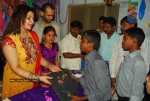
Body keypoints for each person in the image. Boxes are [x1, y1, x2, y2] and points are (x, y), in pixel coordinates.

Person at [1, 5, 61, 99]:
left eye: (33, 18)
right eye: (28, 18)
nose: (32, 22)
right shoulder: (9, 40)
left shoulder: (33, 35)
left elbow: (38, 57)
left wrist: (50, 65)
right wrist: (38, 78)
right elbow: (15, 68)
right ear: (19, 18)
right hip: (16, 80)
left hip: (32, 80)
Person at [110, 16, 149, 94]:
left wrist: (140, 80)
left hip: (133, 78)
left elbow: (146, 62)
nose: (121, 28)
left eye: (124, 25)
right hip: (118, 76)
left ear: (132, 25)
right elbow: (114, 58)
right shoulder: (119, 39)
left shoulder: (143, 40)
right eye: (121, 25)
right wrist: (113, 75)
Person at [70, 30, 111, 101]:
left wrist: (81, 99)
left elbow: (102, 91)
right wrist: (79, 80)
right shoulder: (89, 58)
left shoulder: (97, 62)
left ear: (91, 44)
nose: (80, 43)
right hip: (90, 94)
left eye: (82, 41)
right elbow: (89, 79)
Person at [116, 27, 147, 101]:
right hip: (121, 96)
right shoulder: (127, 57)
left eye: (125, 39)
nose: (122, 41)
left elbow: (137, 90)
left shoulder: (138, 62)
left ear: (134, 40)